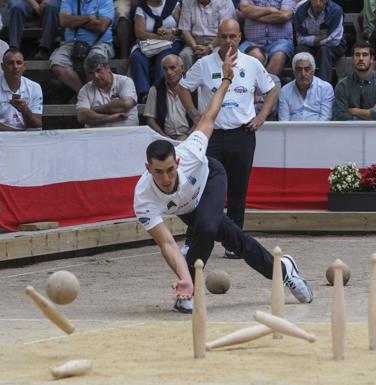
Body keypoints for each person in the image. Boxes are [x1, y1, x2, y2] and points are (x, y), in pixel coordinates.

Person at [134, 47, 313, 313]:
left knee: (206, 227)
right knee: (234, 238)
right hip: (189, 205)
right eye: (158, 172)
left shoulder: (192, 152)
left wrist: (226, 80)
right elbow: (168, 244)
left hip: (211, 178)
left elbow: (208, 117)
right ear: (148, 169)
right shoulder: (143, 197)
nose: (166, 177)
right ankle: (283, 269)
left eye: (170, 170)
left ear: (178, 163)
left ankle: (190, 291)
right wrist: (182, 275)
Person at [179, 18, 278, 259]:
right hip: (211, 135)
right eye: (224, 36)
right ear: (217, 37)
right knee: (202, 188)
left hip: (242, 134)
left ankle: (234, 243)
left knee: (238, 189)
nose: (228, 41)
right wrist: (194, 116)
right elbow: (183, 87)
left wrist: (262, 115)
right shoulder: (204, 64)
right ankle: (193, 239)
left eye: (233, 36)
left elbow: (272, 89)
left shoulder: (252, 64)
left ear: (240, 37)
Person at [50, 0, 114, 93]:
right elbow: (64, 21)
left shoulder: (105, 1)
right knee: (57, 62)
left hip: (100, 43)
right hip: (72, 43)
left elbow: (101, 26)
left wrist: (75, 21)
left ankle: (95, 96)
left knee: (93, 62)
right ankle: (83, 94)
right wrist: (88, 18)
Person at [130, 0, 185, 102]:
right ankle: (144, 94)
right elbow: (140, 33)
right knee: (137, 57)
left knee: (164, 59)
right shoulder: (141, 8)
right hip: (148, 43)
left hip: (171, 43)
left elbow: (182, 27)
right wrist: (159, 37)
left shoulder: (173, 4)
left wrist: (171, 31)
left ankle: (160, 93)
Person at [0, 48, 43, 131]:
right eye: (10, 63)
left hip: (25, 138)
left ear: (24, 66)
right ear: (2, 67)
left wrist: (25, 110)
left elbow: (37, 126)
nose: (15, 67)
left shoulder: (35, 87)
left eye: (19, 63)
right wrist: (19, 135)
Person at [333, 42, 376, 120]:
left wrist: (353, 111)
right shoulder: (342, 85)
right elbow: (340, 116)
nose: (361, 58)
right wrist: (373, 113)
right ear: (352, 59)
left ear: (371, 59)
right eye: (357, 55)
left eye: (365, 55)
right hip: (351, 131)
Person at [76, 52, 139, 127]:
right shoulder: (85, 90)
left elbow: (125, 103)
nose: (96, 76)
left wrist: (95, 110)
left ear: (108, 68)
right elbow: (82, 116)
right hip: (98, 136)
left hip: (127, 134)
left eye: (98, 70)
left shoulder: (125, 81)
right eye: (91, 73)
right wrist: (111, 118)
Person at [293, 0, 346, 83]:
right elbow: (299, 39)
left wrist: (311, 40)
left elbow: (335, 40)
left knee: (324, 50)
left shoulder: (336, 10)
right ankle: (301, 85)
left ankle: (324, 87)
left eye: (321, 0)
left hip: (335, 46)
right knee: (300, 50)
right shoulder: (301, 9)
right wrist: (319, 38)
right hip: (310, 46)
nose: (318, 3)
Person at [238, 0, 295, 76]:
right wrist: (271, 10)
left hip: (280, 42)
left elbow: (284, 15)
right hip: (252, 42)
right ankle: (250, 86)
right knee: (240, 57)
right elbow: (245, 9)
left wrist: (255, 15)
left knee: (279, 56)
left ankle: (267, 86)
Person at [178, 0, 236, 70]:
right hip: (194, 41)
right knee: (184, 55)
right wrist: (195, 47)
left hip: (218, 42)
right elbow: (185, 30)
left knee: (217, 55)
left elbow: (224, 31)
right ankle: (186, 80)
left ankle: (218, 80)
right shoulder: (188, 1)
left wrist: (209, 48)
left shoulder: (224, 1)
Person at [144, 54, 191, 139]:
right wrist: (163, 137)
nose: (169, 72)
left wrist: (188, 135)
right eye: (165, 69)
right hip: (164, 137)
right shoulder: (155, 89)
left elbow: (201, 117)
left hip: (190, 137)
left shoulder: (193, 87)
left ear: (182, 68)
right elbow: (150, 119)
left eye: (172, 68)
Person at [278, 52, 334, 121]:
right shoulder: (285, 91)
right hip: (293, 131)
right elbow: (284, 121)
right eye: (299, 70)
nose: (303, 74)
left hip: (319, 130)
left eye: (307, 69)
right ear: (294, 72)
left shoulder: (325, 88)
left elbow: (325, 118)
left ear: (313, 71)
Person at [244, 46, 280, 120]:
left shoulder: (273, 80)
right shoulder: (236, 79)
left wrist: (254, 100)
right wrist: (262, 99)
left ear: (264, 63)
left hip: (267, 124)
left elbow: (272, 107)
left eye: (259, 62)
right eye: (251, 61)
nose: (255, 66)